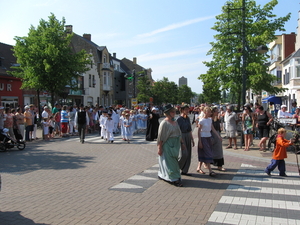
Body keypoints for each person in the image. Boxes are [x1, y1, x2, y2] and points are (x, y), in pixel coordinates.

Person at [157, 104, 184, 187]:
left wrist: (182, 143)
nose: (174, 113)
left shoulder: (175, 122)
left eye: (175, 111)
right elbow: (160, 137)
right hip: (168, 145)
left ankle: (164, 175)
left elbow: (179, 133)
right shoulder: (164, 123)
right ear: (168, 113)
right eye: (172, 112)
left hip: (176, 144)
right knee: (171, 163)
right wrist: (160, 148)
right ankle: (174, 179)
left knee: (174, 161)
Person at [196, 106, 222, 176]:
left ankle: (198, 167)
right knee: (208, 153)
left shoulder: (210, 120)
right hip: (203, 137)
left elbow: (212, 129)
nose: (210, 113)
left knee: (204, 152)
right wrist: (200, 141)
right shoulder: (201, 120)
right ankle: (210, 170)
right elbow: (199, 131)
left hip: (208, 137)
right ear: (204, 112)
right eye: (208, 112)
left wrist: (218, 136)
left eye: (210, 112)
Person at [177, 104, 194, 176]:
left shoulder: (187, 118)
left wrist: (192, 139)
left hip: (188, 136)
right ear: (182, 110)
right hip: (182, 136)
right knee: (184, 154)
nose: (188, 111)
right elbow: (177, 131)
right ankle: (177, 167)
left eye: (188, 109)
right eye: (186, 109)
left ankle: (185, 170)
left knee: (189, 154)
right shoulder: (179, 119)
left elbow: (190, 129)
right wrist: (181, 140)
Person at [211, 107, 226, 171]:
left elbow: (219, 128)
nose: (218, 112)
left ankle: (219, 165)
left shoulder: (217, 119)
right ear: (213, 112)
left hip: (217, 134)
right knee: (211, 150)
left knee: (219, 151)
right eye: (216, 111)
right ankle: (207, 163)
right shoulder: (210, 119)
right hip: (212, 135)